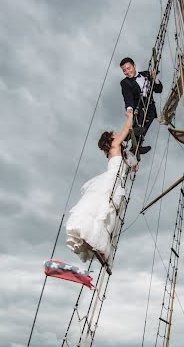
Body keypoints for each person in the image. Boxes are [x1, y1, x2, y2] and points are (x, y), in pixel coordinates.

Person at [66, 112, 136, 264]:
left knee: (105, 213)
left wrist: (134, 162)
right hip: (112, 180)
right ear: (111, 139)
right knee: (103, 209)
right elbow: (127, 127)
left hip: (117, 181)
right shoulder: (115, 145)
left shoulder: (118, 152)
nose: (117, 135)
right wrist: (130, 116)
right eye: (114, 134)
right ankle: (91, 236)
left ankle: (94, 239)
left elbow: (132, 167)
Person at [120, 57, 163, 154]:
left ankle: (138, 145)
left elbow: (159, 90)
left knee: (144, 127)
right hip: (138, 106)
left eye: (129, 68)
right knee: (139, 123)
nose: (127, 72)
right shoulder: (124, 83)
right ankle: (128, 137)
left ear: (134, 66)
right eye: (124, 71)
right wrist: (129, 108)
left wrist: (155, 78)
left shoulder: (146, 74)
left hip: (150, 107)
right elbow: (127, 96)